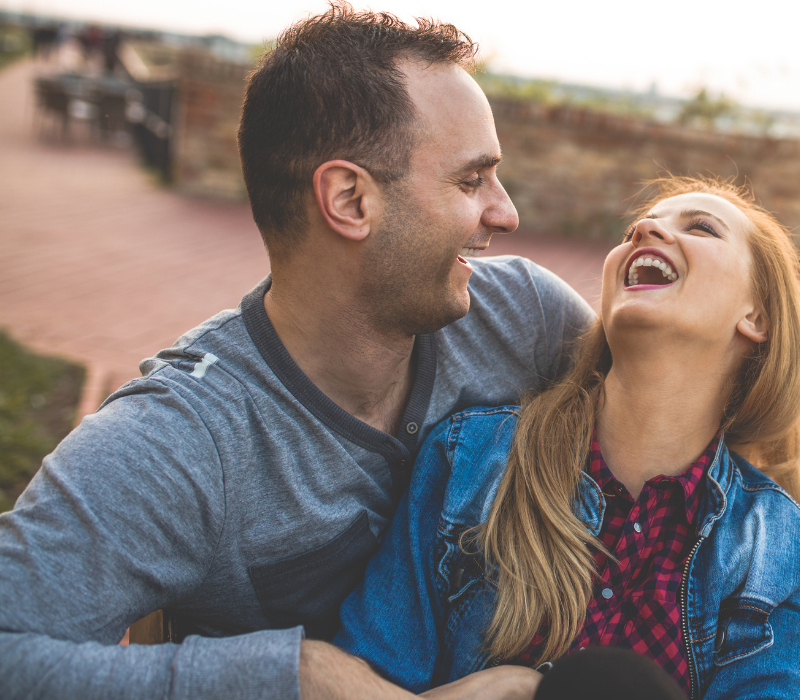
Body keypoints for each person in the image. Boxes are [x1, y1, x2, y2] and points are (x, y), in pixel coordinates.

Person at [0, 5, 592, 700]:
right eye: (471, 181)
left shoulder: (524, 315)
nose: (506, 212)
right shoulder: (185, 441)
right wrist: (295, 676)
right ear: (349, 199)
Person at [336, 177, 800, 699]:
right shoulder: (471, 458)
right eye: (638, 226)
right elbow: (361, 680)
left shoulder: (781, 549)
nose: (645, 228)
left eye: (701, 228)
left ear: (756, 317)